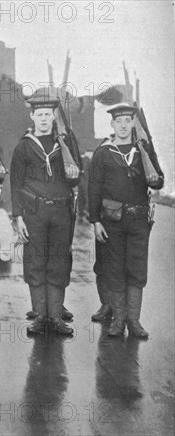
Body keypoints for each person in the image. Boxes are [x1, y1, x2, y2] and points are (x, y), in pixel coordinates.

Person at [88, 103, 163, 337]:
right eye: (118, 121)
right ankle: (118, 320)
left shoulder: (144, 150)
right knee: (115, 270)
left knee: (137, 270)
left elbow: (159, 181)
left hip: (139, 220)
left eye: (127, 121)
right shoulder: (103, 153)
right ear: (112, 124)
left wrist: (154, 177)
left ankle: (134, 321)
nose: (122, 125)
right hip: (112, 222)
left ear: (133, 123)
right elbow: (94, 189)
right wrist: (95, 221)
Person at [10, 93, 82, 335]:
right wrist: (17, 216)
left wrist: (68, 146)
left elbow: (78, 174)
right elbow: (16, 182)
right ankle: (40, 317)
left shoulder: (66, 142)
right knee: (35, 263)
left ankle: (56, 317)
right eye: (38, 114)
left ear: (54, 116)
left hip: (61, 211)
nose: (43, 118)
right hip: (34, 212)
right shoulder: (24, 145)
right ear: (32, 116)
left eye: (47, 114)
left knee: (59, 263)